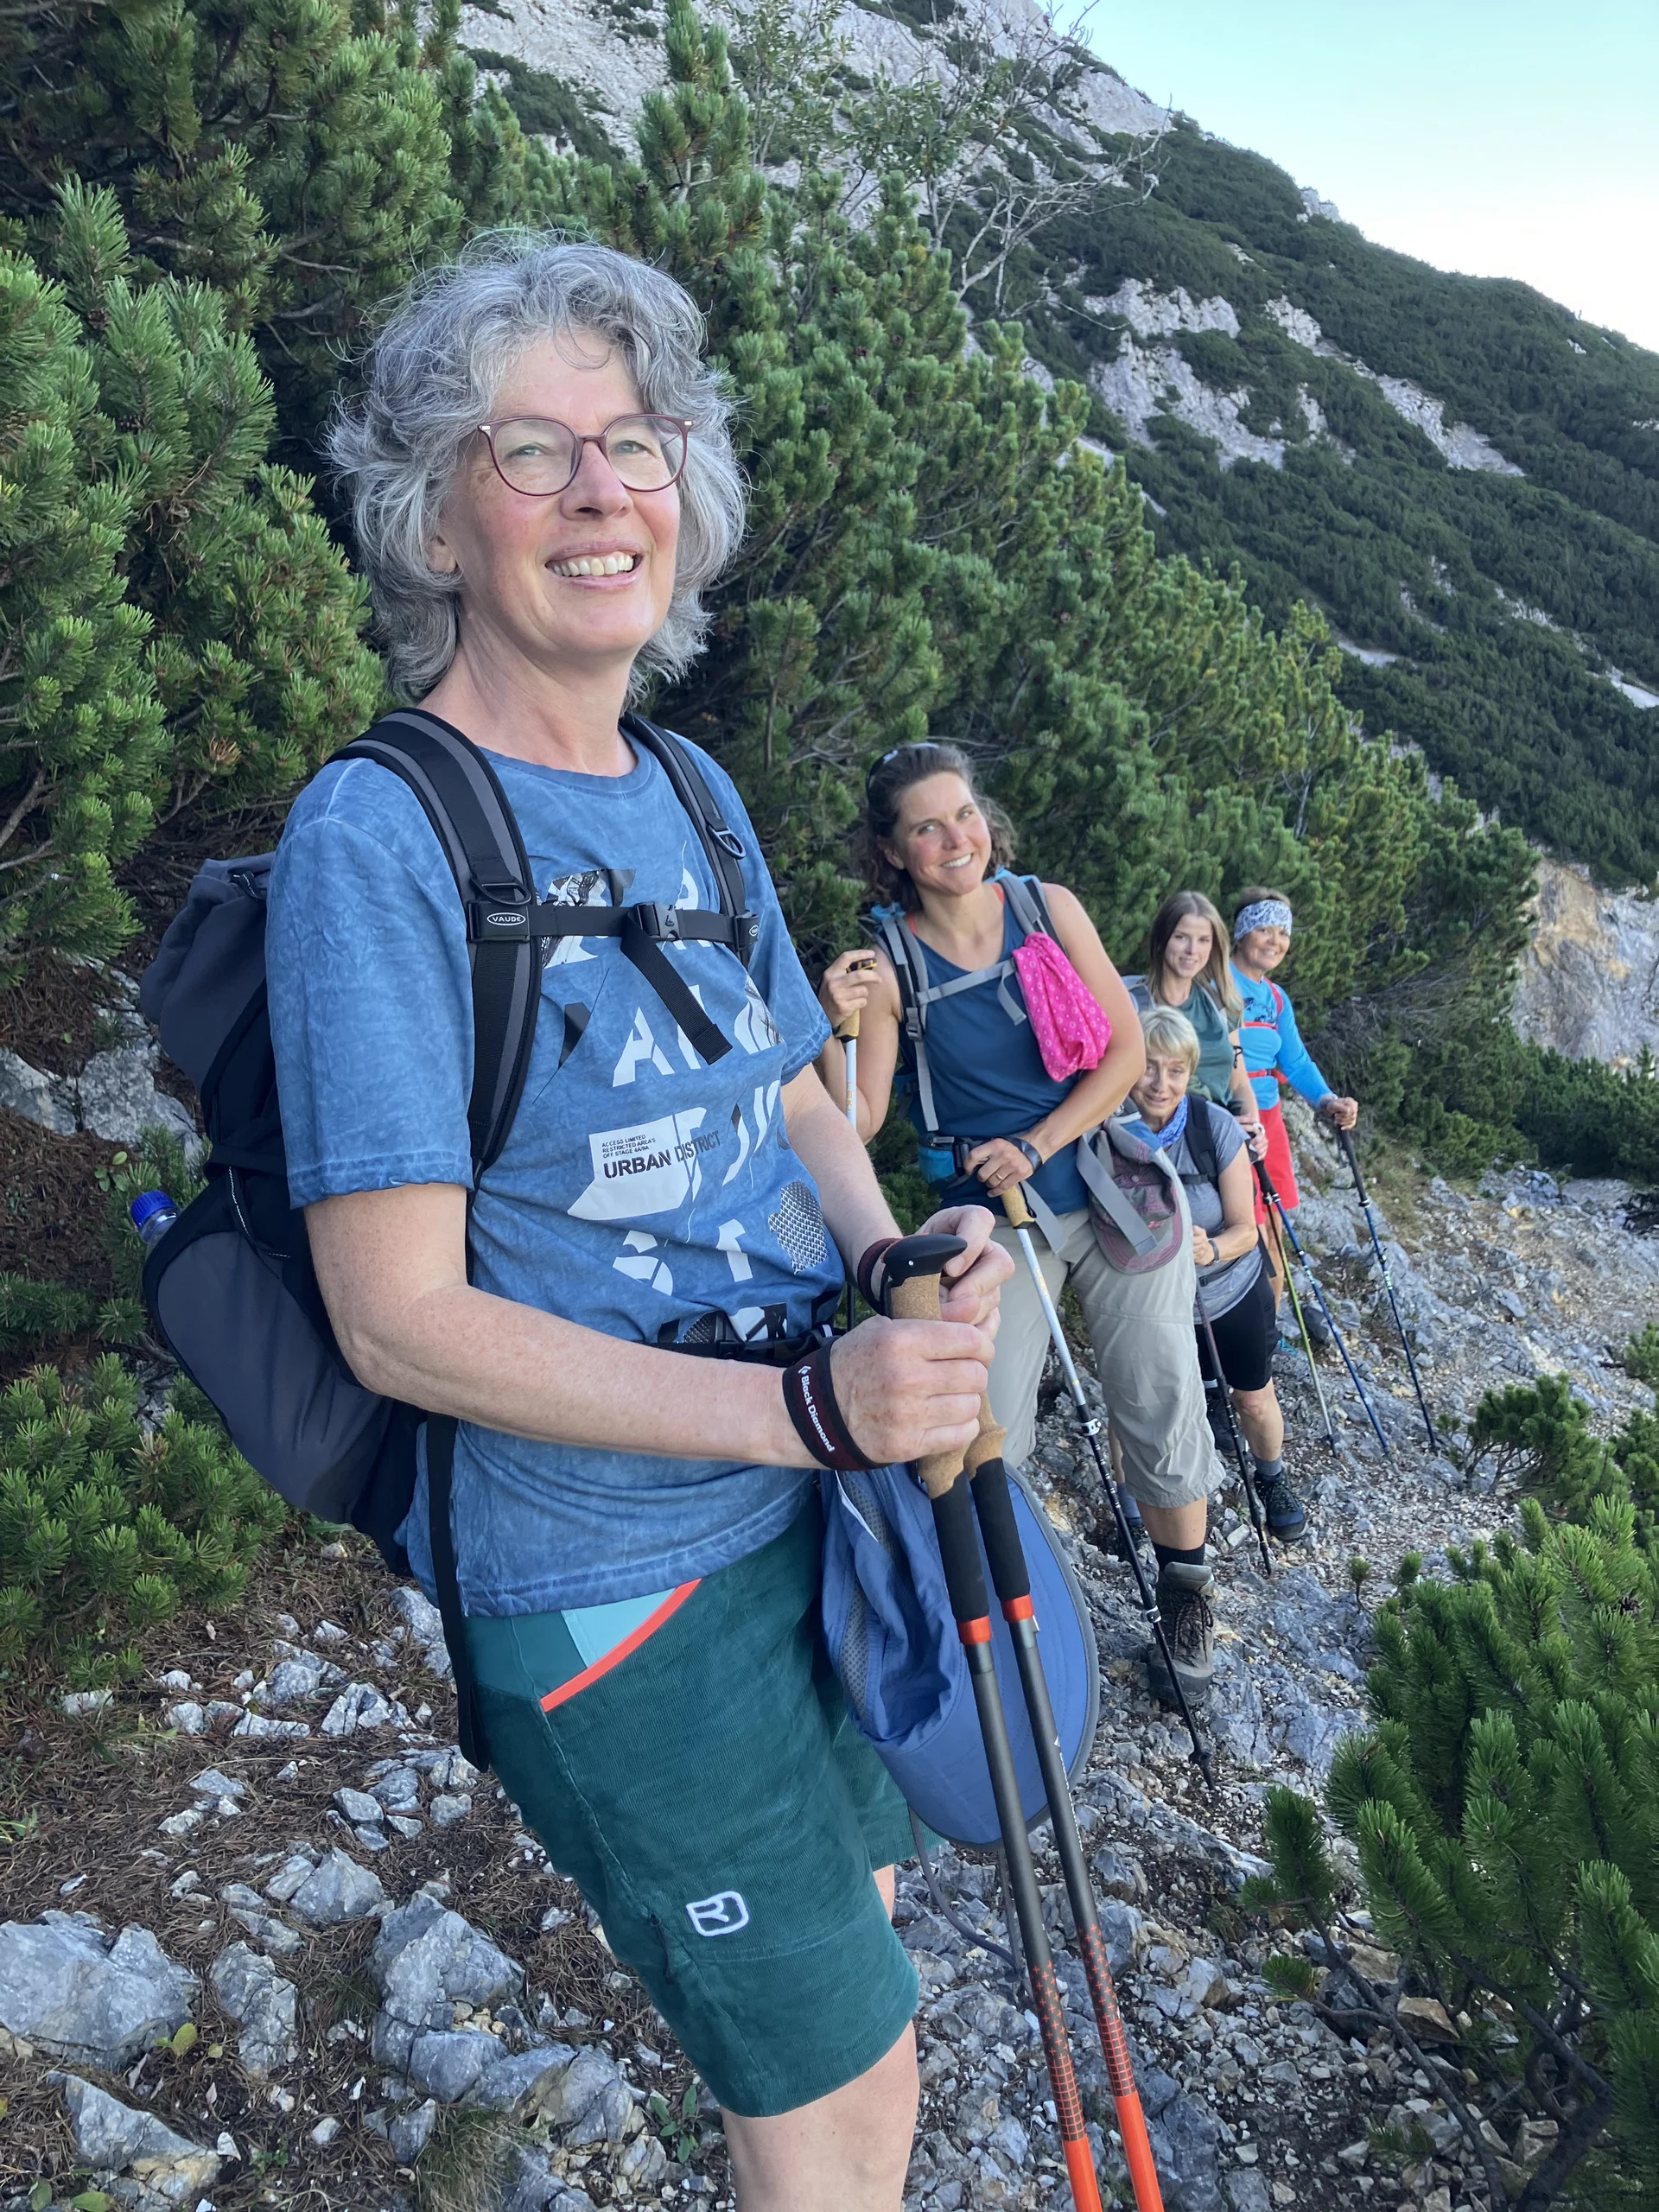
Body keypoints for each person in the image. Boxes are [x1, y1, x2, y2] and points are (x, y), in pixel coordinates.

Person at [266, 236, 1012, 2212]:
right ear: (436, 517)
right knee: (836, 2109)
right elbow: (398, 1318)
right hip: (618, 1596)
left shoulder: (683, 787)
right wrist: (817, 1412)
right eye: (534, 451)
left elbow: (782, 1087)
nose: (604, 490)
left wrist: (887, 1261)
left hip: (804, 1527)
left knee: (869, 2009)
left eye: (636, 441)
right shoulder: (384, 832)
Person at [817, 745, 1226, 1697]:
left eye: (962, 813)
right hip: (990, 1214)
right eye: (926, 825)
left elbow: (1125, 1055)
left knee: (1158, 1390)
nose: (955, 838)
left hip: (1107, 1180)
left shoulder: (1048, 906)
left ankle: (1186, 1592)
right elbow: (856, 1121)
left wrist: (1037, 1143)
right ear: (894, 849)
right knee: (981, 1414)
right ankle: (1016, 1599)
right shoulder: (889, 962)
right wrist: (835, 1024)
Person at [1127, 1009, 1307, 1543]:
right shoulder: (1107, 1131)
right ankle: (1137, 1512)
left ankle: (1271, 1477)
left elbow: (1247, 1232)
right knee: (1140, 1409)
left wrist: (1210, 1250)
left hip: (1229, 1292)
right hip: (1154, 1303)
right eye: (1148, 1068)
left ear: (1190, 1072)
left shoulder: (1214, 1126)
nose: (1161, 1084)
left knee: (1251, 1397)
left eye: (1175, 1071)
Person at [1230, 887, 1358, 1311]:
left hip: (1269, 1118)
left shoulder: (1276, 998)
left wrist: (1327, 1102)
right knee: (1238, 1227)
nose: (1276, 941)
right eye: (1265, 929)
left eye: (1283, 933)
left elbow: (1297, 1061)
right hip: (1224, 1117)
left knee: (1273, 1230)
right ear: (1242, 932)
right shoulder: (1213, 983)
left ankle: (1264, 1332)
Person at [1124, 890, 1261, 1137]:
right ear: (1162, 939)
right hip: (1155, 1141)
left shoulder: (1221, 1004)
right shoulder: (1129, 1002)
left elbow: (1239, 1082)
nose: (1191, 950)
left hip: (1220, 1142)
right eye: (1181, 937)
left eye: (1203, 940)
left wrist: (1254, 1130)